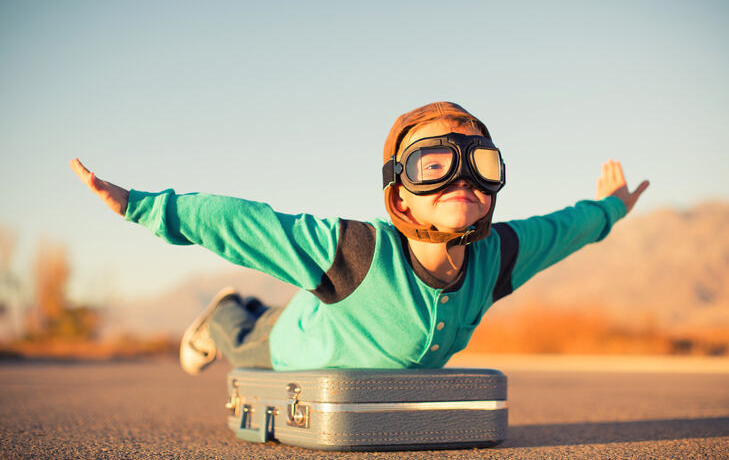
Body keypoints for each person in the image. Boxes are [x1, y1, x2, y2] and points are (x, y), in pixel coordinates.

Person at [70, 101, 649, 374]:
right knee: (245, 342)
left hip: (355, 361)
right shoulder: (354, 251)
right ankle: (227, 312)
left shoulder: (497, 255)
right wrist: (144, 207)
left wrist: (609, 210)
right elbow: (243, 225)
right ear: (399, 195)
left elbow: (563, 231)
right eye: (435, 165)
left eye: (482, 164)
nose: (463, 177)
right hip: (296, 346)